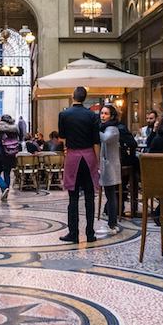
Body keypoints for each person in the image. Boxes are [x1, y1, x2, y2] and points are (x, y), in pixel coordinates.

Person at [57, 86, 100, 243]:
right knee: (90, 197)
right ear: (85, 98)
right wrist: (98, 161)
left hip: (73, 157)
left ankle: (73, 233)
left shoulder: (64, 114)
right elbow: (96, 140)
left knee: (73, 198)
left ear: (72, 96)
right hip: (89, 157)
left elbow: (62, 137)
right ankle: (90, 233)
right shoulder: (92, 116)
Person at [99, 105, 122, 236]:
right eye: (101, 113)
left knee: (111, 195)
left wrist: (93, 130)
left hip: (111, 167)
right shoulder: (106, 127)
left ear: (111, 116)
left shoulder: (112, 129)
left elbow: (105, 138)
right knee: (110, 195)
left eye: (106, 114)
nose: (102, 116)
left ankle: (112, 224)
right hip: (107, 166)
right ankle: (112, 223)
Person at [0, 114, 20, 201]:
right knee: (7, 174)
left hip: (1, 154)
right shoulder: (15, 129)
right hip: (11, 155)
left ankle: (4, 187)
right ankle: (6, 192)